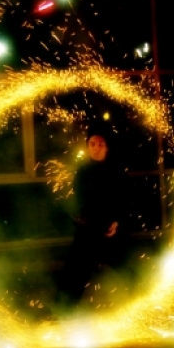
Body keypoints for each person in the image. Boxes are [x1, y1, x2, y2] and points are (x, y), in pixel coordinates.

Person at [55, 124, 130, 311]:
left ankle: (136, 306)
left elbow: (124, 198)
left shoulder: (116, 171)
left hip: (111, 230)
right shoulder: (82, 172)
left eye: (100, 144)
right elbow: (77, 199)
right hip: (88, 229)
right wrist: (80, 218)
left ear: (107, 147)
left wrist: (116, 222)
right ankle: (64, 311)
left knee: (125, 271)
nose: (96, 148)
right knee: (74, 271)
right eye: (92, 144)